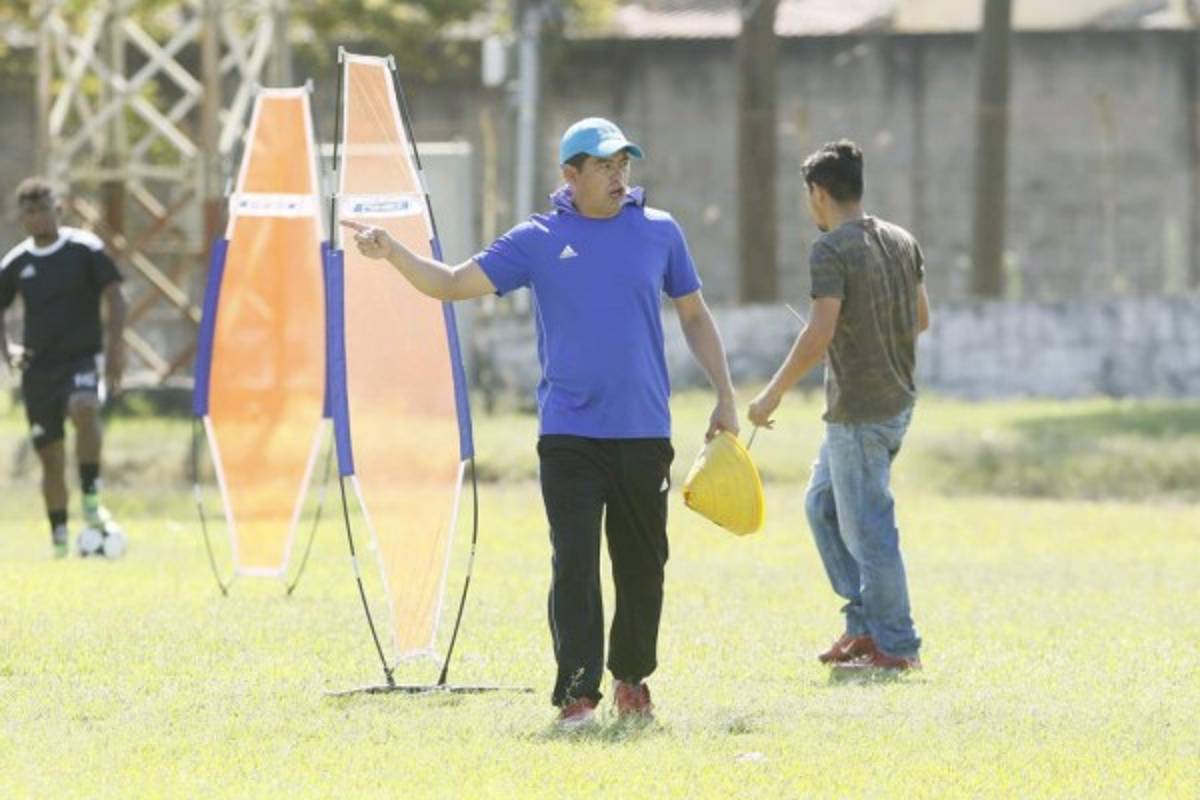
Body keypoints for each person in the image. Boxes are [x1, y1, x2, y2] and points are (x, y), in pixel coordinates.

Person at [343, 117, 738, 727]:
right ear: (570, 175)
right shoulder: (537, 239)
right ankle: (578, 694)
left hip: (643, 430)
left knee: (642, 567)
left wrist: (725, 395)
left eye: (623, 164)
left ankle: (632, 679)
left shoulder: (660, 231)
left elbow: (694, 315)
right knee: (573, 563)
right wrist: (393, 251)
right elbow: (451, 283)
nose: (618, 176)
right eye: (604, 166)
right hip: (568, 434)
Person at [747, 140, 930, 673]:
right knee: (821, 506)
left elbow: (819, 333)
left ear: (818, 193)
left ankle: (897, 647)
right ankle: (863, 625)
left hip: (860, 414)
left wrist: (771, 394)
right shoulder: (902, 240)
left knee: (869, 529)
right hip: (894, 403)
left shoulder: (830, 249)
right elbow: (920, 318)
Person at [0, 178, 127, 557]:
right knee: (51, 458)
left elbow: (115, 295)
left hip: (81, 358)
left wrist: (115, 349)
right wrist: (8, 350)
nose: (38, 217)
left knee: (84, 406)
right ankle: (59, 540)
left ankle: (91, 497)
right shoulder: (16, 263)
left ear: (59, 209)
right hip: (38, 370)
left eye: (44, 209)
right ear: (21, 217)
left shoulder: (85, 250)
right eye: (30, 211)